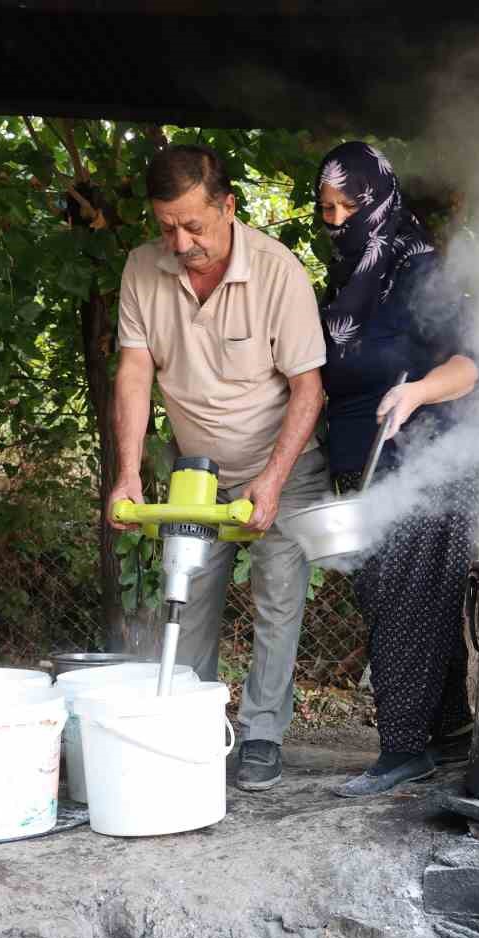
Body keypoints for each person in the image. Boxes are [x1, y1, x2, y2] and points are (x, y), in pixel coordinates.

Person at [108, 144, 327, 792]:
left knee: (277, 598)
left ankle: (260, 734)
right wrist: (126, 474)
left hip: (279, 462)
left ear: (228, 206)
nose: (180, 241)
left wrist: (272, 480)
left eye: (194, 225)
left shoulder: (278, 271)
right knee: (188, 596)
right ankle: (190, 726)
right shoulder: (141, 270)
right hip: (195, 472)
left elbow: (308, 389)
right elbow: (134, 373)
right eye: (166, 225)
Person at [314, 141, 479, 798]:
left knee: (403, 599)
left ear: (378, 202)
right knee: (401, 593)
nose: (333, 221)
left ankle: (403, 750)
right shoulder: (343, 281)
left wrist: (415, 393)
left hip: (429, 459)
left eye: (345, 207)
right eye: (324, 208)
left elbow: (469, 365)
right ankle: (450, 733)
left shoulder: (421, 274)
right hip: (367, 466)